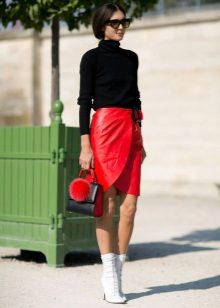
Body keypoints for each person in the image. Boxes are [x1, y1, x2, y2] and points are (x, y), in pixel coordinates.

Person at [77, 2, 146, 304]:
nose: (121, 27)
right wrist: (85, 145)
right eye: (115, 23)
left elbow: (136, 97)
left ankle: (117, 271)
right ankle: (109, 274)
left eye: (124, 22)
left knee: (129, 206)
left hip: (130, 129)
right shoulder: (91, 58)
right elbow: (83, 102)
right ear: (102, 25)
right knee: (107, 204)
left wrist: (140, 139)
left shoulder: (132, 58)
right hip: (104, 130)